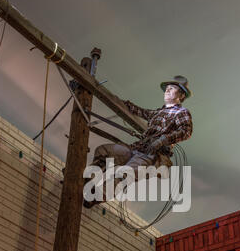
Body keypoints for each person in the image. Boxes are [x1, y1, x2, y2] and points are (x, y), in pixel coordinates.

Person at [83, 75, 193, 208]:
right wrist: (119, 101)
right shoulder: (158, 113)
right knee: (104, 151)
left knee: (124, 174)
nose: (167, 90)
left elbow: (186, 131)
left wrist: (162, 141)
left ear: (181, 95)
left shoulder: (181, 112)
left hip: (151, 155)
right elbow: (140, 111)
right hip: (136, 149)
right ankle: (87, 180)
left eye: (172, 88)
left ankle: (95, 196)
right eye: (166, 88)